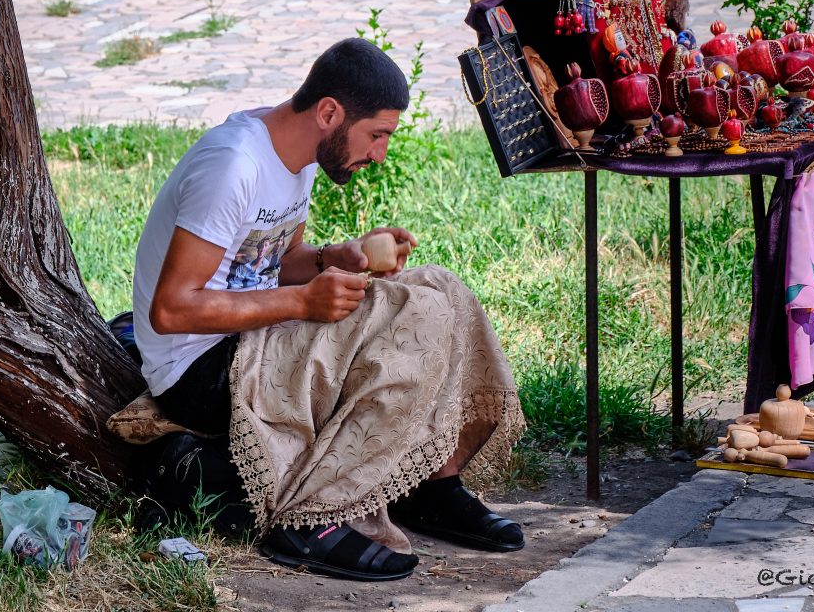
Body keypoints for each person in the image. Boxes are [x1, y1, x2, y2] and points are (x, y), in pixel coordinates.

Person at [132, 38, 525, 583]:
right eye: (377, 135)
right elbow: (171, 310)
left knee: (442, 289)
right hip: (197, 368)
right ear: (329, 113)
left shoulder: (299, 161)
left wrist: (332, 259)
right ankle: (309, 514)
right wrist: (301, 301)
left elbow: (273, 262)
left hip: (253, 332)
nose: (380, 153)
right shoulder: (233, 165)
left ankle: (427, 483)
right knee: (415, 316)